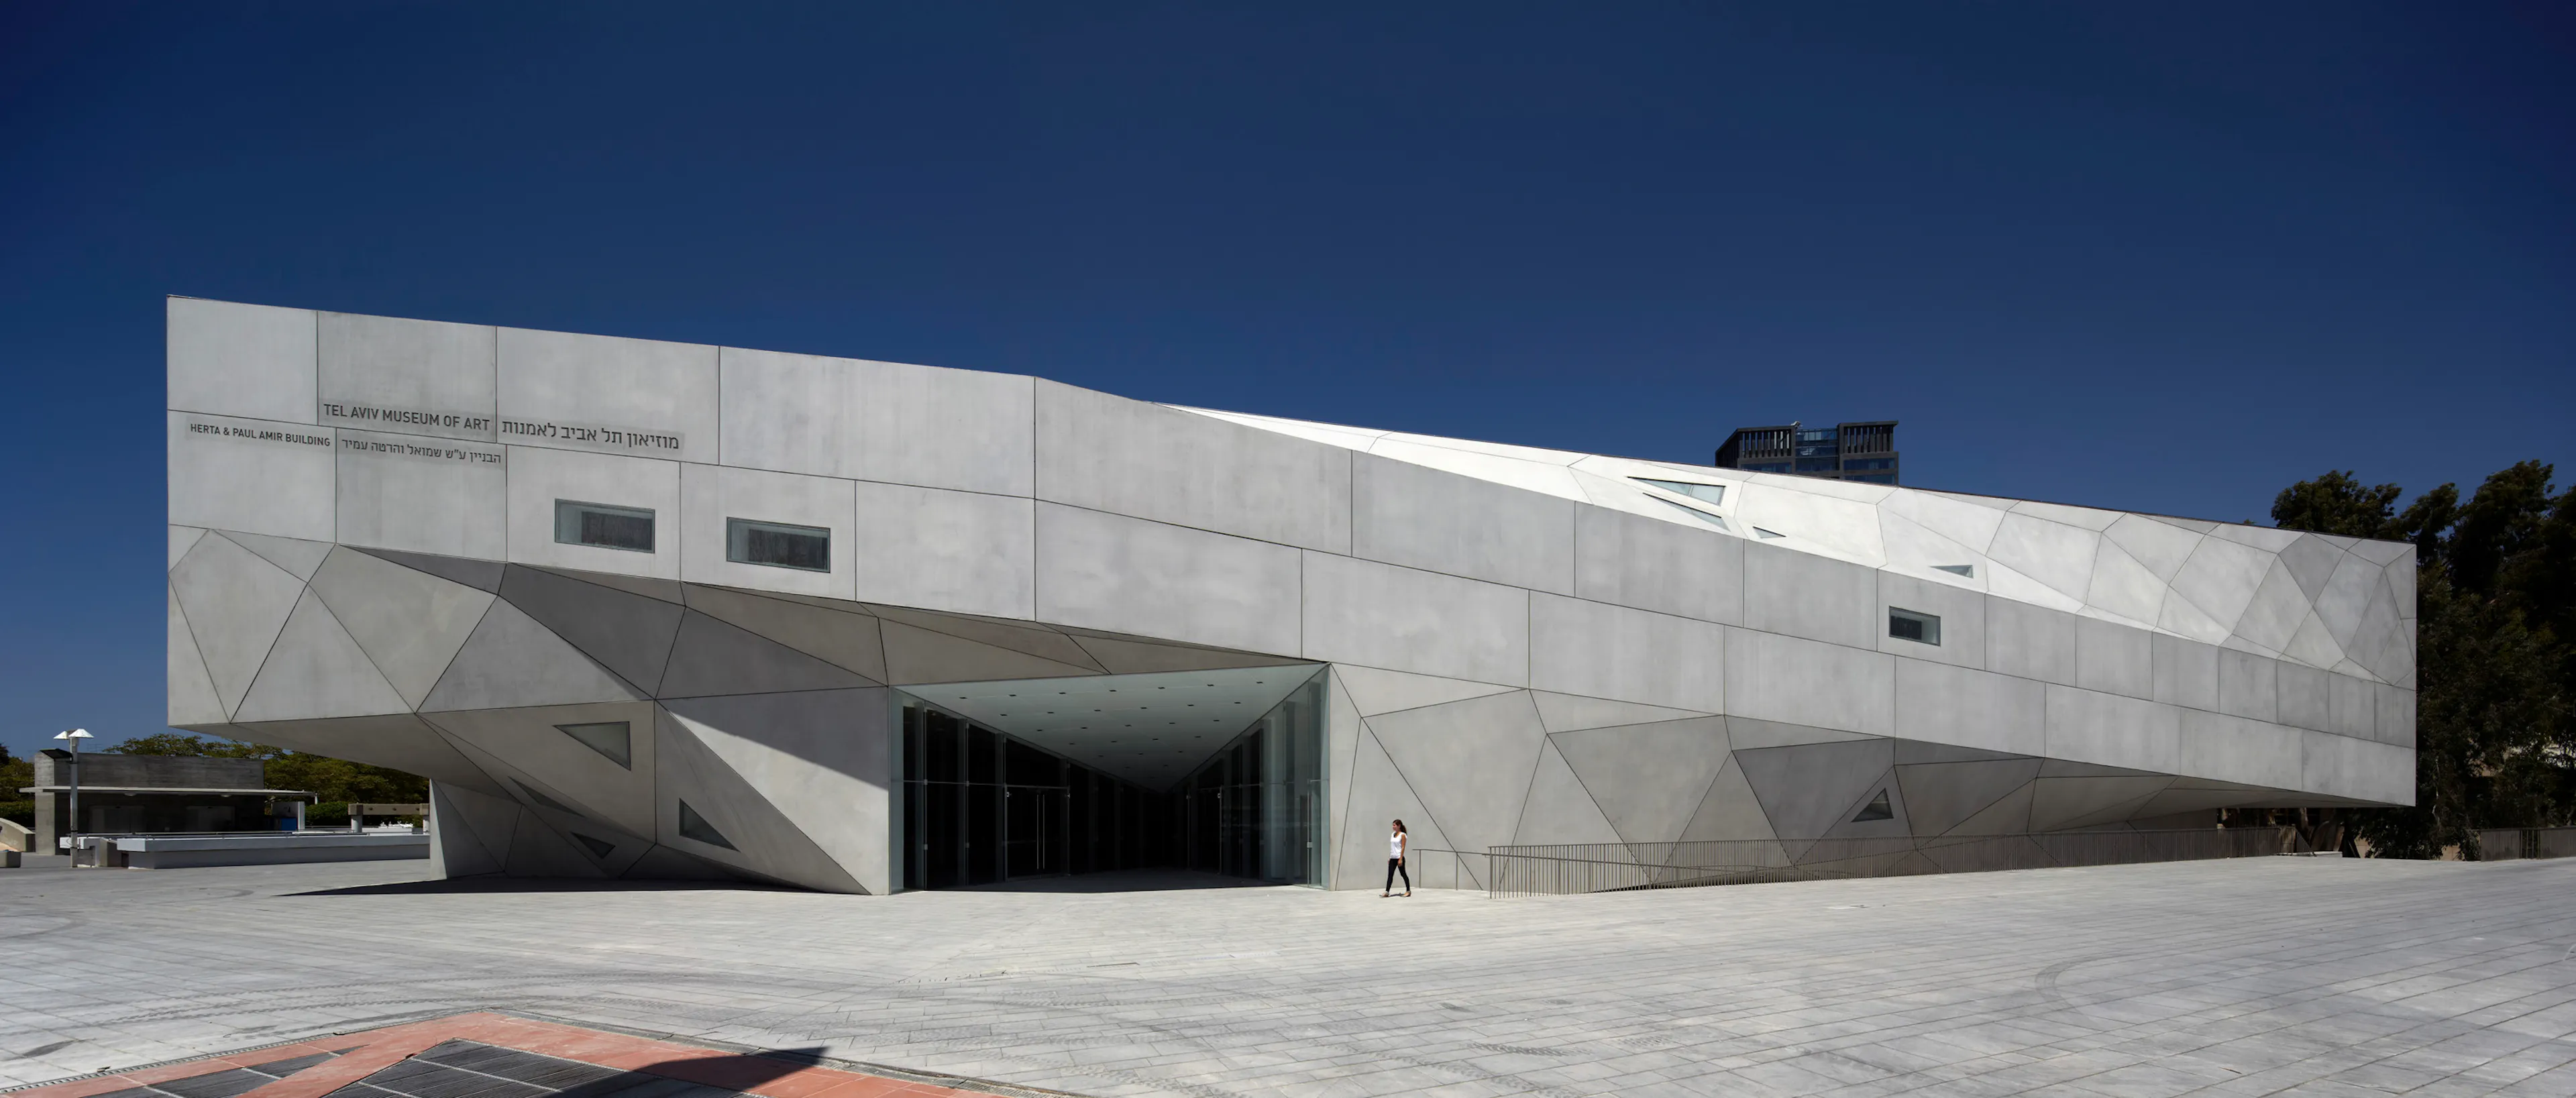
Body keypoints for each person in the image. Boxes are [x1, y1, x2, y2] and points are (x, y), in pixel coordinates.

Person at [1383, 819, 1410, 897]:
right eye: (1393, 825)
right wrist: (1390, 857)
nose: (1393, 827)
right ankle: (1387, 891)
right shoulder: (1393, 834)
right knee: (1390, 875)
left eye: (1394, 825)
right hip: (1392, 858)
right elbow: (1392, 847)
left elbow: (1403, 847)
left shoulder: (1403, 835)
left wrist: (1401, 858)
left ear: (1399, 826)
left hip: (1399, 857)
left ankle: (1408, 891)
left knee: (1403, 874)